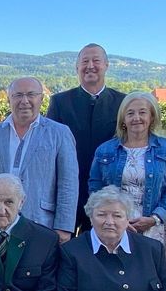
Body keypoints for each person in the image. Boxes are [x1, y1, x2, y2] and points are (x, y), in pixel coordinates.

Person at [0, 77, 78, 242]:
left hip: (41, 222)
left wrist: (64, 227)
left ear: (41, 98)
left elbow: (68, 183)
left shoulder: (59, 133)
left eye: (31, 94)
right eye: (18, 95)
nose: (24, 101)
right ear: (9, 98)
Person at [88, 91, 166, 256]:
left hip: (154, 227)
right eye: (130, 113)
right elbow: (95, 187)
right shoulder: (105, 150)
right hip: (114, 227)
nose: (136, 118)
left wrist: (155, 218)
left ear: (152, 117)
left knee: (151, 277)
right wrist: (116, 219)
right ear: (123, 119)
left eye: (142, 112)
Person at [48, 43, 127, 233]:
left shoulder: (123, 102)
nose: (90, 66)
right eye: (85, 61)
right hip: (67, 193)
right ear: (77, 67)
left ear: (106, 65)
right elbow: (50, 147)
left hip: (108, 194)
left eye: (96, 61)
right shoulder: (60, 102)